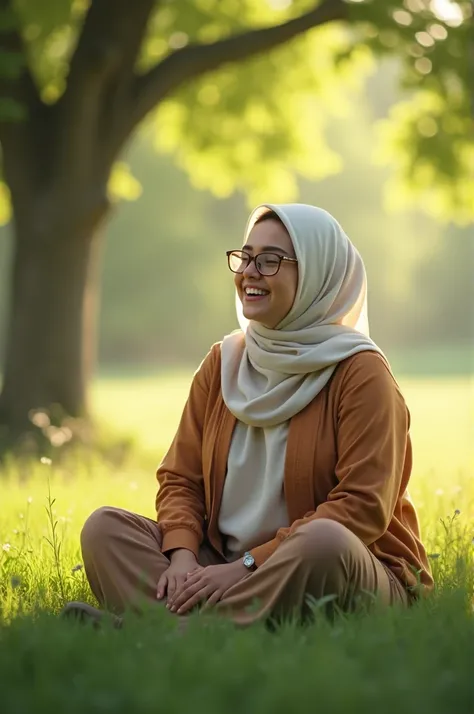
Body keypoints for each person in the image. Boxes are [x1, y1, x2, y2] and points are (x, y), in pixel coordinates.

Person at [63, 203, 433, 629]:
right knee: (105, 530)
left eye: (270, 260)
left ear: (316, 274)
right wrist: (183, 555)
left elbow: (362, 508)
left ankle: (171, 631)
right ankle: (217, 622)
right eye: (245, 257)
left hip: (345, 568)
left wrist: (250, 565)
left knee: (325, 542)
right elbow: (181, 479)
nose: (249, 272)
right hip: (222, 562)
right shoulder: (224, 362)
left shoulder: (361, 373)